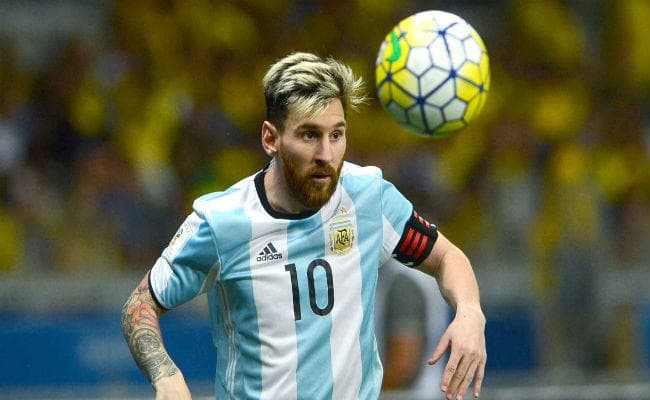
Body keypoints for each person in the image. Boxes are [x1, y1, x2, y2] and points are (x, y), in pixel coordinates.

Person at [121, 52, 486, 400]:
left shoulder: (368, 198)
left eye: (336, 135)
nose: (326, 155)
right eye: (309, 135)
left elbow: (446, 257)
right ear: (271, 138)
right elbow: (141, 305)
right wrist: (166, 375)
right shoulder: (222, 223)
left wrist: (470, 311)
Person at [375, 258, 449, 399]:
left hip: (410, 395)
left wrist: (361, 394)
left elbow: (403, 365)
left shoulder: (402, 282)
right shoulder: (398, 273)